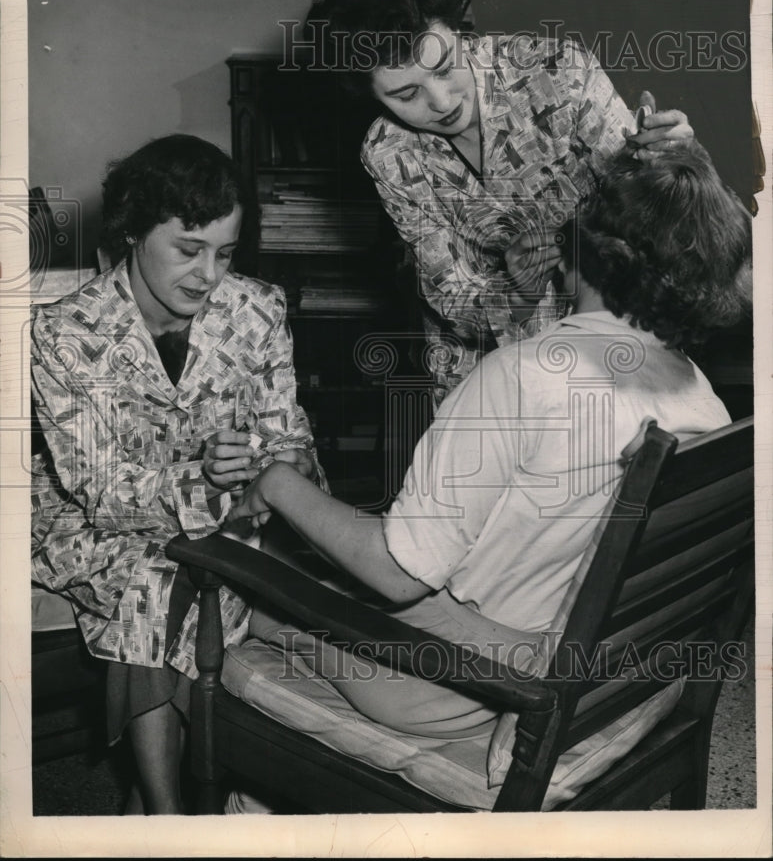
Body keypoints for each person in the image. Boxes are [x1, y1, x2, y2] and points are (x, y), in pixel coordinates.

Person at [225, 144, 751, 760]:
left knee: (236, 570)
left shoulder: (521, 377)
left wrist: (278, 483)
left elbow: (398, 578)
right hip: (606, 677)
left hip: (456, 683)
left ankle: (250, 795)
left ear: (581, 257)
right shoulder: (705, 402)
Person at [30, 134, 323, 814]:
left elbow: (292, 441)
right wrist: (215, 483)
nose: (208, 275)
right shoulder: (63, 332)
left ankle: (152, 798)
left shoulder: (258, 309)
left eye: (224, 253)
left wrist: (263, 463)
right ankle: (169, 813)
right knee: (155, 582)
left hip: (237, 510)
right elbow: (102, 491)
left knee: (214, 575)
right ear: (133, 231)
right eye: (188, 250)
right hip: (94, 523)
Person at [305, 0, 701, 403]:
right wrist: (516, 288)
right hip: (479, 352)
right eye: (406, 93)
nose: (440, 101)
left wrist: (671, 162)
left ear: (457, 31)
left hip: (608, 319)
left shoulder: (558, 72)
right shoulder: (387, 153)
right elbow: (451, 294)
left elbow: (651, 215)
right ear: (371, 95)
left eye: (443, 66)